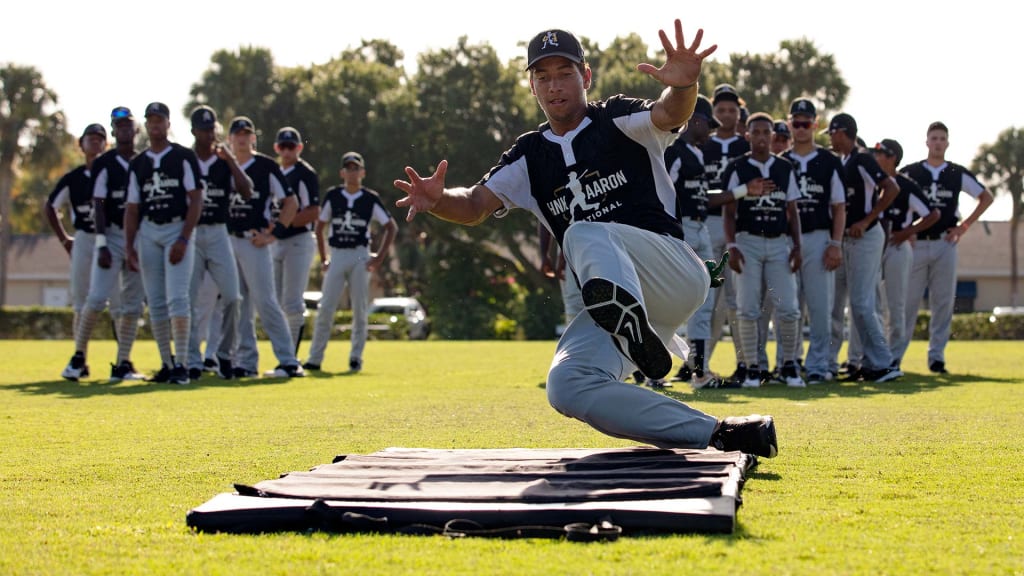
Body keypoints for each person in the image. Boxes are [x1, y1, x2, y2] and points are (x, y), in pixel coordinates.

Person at [393, 22, 777, 458]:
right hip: (624, 303)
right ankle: (718, 433)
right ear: (532, 87)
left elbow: (671, 113)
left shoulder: (615, 118)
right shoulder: (529, 155)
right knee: (567, 384)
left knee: (581, 229)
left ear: (586, 77)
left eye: (564, 73)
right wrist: (439, 199)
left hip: (671, 271)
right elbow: (475, 204)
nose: (554, 85)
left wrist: (686, 84)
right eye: (543, 76)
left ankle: (627, 322)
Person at [664, 93, 753, 389]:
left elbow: (705, 197)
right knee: (672, 298)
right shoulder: (674, 150)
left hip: (700, 227)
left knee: (704, 298)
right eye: (708, 124)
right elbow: (662, 190)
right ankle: (649, 371)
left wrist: (742, 191)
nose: (712, 131)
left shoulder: (698, 153)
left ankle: (699, 372)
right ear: (695, 120)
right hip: (680, 229)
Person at [897, 122, 993, 373]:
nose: (938, 142)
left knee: (942, 302)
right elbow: (896, 196)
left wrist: (964, 226)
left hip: (945, 243)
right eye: (934, 138)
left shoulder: (956, 173)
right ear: (926, 142)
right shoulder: (911, 172)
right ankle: (894, 356)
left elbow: (986, 197)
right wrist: (908, 229)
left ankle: (936, 357)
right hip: (916, 244)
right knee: (907, 302)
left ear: (947, 143)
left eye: (942, 138)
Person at [61, 107, 146, 383]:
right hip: (110, 235)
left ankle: (123, 362)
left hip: (137, 237)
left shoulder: (144, 161)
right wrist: (101, 243)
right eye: (118, 126)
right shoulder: (104, 163)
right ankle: (78, 356)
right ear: (114, 131)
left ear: (136, 130)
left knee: (132, 304)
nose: (123, 130)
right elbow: (97, 203)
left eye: (127, 125)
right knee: (96, 299)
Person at [722, 112, 805, 388]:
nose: (760, 137)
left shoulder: (784, 168)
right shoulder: (738, 167)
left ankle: (790, 366)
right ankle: (751, 367)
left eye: (765, 132)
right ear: (748, 135)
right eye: (755, 132)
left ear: (773, 136)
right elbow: (729, 212)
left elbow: (792, 211)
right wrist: (731, 245)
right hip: (748, 243)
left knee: (790, 309)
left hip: (780, 243)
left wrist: (797, 247)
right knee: (747, 309)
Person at [124, 102, 203, 385]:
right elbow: (132, 208)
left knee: (178, 298)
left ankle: (182, 363)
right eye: (150, 121)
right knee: (155, 302)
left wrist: (184, 237)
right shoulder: (139, 163)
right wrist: (129, 245)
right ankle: (167, 363)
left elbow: (196, 198)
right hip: (149, 231)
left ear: (168, 124)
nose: (155, 125)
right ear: (146, 125)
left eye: (160, 120)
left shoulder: (183, 157)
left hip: (176, 229)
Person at [225, 116, 305, 378]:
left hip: (253, 239)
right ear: (230, 138)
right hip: (228, 239)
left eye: (246, 133)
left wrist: (274, 234)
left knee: (266, 301)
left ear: (253, 138)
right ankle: (246, 363)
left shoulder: (266, 166)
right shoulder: (224, 165)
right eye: (237, 133)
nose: (241, 138)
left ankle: (288, 360)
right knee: (239, 304)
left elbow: (290, 202)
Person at [826, 113, 903, 383]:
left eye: (832, 133)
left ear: (843, 132)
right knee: (847, 303)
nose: (830, 139)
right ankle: (859, 362)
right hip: (848, 238)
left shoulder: (861, 158)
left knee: (861, 302)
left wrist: (868, 219)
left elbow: (891, 188)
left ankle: (884, 363)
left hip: (867, 236)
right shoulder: (843, 160)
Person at [304, 151, 397, 372]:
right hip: (338, 253)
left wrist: (379, 257)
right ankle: (315, 358)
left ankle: (356, 357)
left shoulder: (369, 198)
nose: (352, 172)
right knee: (326, 307)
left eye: (356, 168)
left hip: (360, 255)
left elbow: (390, 226)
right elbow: (320, 227)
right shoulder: (334, 196)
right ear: (342, 172)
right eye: (348, 168)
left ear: (362, 172)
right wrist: (324, 258)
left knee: (359, 308)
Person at [779, 98, 846, 384]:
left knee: (820, 307)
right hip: (787, 241)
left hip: (819, 238)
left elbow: (839, 206)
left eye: (807, 122)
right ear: (789, 123)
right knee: (789, 306)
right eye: (796, 122)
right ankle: (788, 363)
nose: (801, 127)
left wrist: (835, 243)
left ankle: (818, 364)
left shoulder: (830, 161)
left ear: (815, 125)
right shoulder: (781, 162)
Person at [185, 105, 252, 381]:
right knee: (188, 299)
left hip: (217, 231)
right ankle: (191, 358)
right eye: (203, 129)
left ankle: (224, 355)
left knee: (233, 297)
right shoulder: (185, 159)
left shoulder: (223, 160)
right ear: (193, 132)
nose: (208, 134)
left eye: (211, 128)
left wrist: (231, 161)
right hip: (190, 232)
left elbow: (247, 192)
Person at [872, 138, 940, 370]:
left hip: (895, 246)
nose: (876, 158)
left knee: (896, 304)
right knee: (872, 304)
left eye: (881, 154)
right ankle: (872, 357)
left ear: (893, 158)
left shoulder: (905, 185)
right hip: (872, 247)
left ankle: (894, 358)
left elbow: (932, 214)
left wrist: (908, 231)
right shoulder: (871, 181)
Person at [702, 83, 750, 386]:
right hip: (706, 223)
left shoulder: (746, 146)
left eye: (732, 110)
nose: (726, 114)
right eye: (720, 109)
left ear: (738, 113)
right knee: (706, 297)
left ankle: (744, 363)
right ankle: (699, 362)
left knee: (736, 300)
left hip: (737, 227)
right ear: (713, 111)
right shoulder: (700, 143)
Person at [45, 123, 107, 339]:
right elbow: (51, 206)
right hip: (85, 238)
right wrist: (64, 240)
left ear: (105, 145)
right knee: (81, 299)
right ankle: (79, 357)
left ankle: (123, 361)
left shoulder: (114, 173)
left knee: (119, 301)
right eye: (90, 138)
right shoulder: (74, 178)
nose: (95, 141)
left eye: (100, 138)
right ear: (81, 144)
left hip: (111, 239)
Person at [272, 127, 320, 354]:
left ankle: (291, 357)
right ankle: (283, 355)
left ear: (299, 148)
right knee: (275, 302)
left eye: (291, 147)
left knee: (291, 301)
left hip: (298, 241)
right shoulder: (274, 171)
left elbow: (313, 212)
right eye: (283, 147)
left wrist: (283, 222)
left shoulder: (305, 173)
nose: (287, 151)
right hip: (276, 241)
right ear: (277, 148)